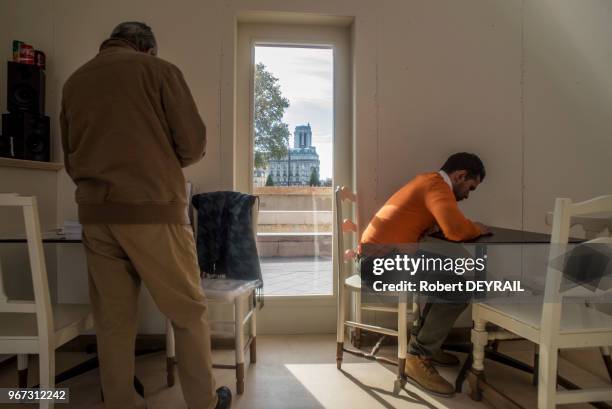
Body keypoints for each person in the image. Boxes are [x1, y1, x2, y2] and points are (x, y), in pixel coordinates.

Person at [60, 22, 231, 409]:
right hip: (154, 210)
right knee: (187, 313)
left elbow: (71, 156)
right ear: (147, 49)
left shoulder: (74, 82)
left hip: (96, 214)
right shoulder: (160, 71)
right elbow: (192, 144)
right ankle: (204, 402)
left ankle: (120, 401)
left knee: (113, 321)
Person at [360, 152, 488, 397]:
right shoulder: (436, 186)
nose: (468, 195)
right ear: (460, 176)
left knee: (448, 278)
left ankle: (425, 345)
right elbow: (456, 229)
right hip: (379, 265)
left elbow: (446, 223)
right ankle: (418, 355)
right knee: (459, 288)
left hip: (379, 259)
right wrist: (477, 228)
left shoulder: (427, 181)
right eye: (470, 187)